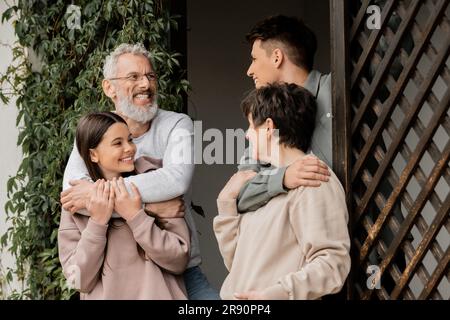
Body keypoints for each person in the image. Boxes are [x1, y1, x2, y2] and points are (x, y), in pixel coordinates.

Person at [59, 43, 220, 299]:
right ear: (109, 87)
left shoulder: (176, 124)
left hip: (176, 274)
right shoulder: (93, 134)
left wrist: (103, 197)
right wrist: (150, 208)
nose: (146, 84)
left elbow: (175, 180)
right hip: (112, 282)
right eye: (134, 77)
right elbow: (72, 195)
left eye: (150, 76)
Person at [214, 83, 351, 300]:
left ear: (269, 127)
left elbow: (332, 264)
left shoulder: (314, 180)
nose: (247, 135)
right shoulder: (266, 183)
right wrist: (225, 203)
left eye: (250, 126)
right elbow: (237, 263)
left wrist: (276, 294)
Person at [58, 112, 190, 299]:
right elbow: (78, 280)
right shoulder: (76, 204)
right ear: (93, 154)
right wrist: (97, 223)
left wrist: (137, 216)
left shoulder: (155, 184)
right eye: (118, 143)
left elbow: (178, 260)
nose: (130, 148)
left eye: (130, 140)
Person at [236, 15, 332, 214]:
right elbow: (241, 193)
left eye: (254, 59)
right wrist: (283, 178)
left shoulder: (336, 89)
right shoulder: (263, 121)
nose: (249, 70)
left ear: (277, 57)